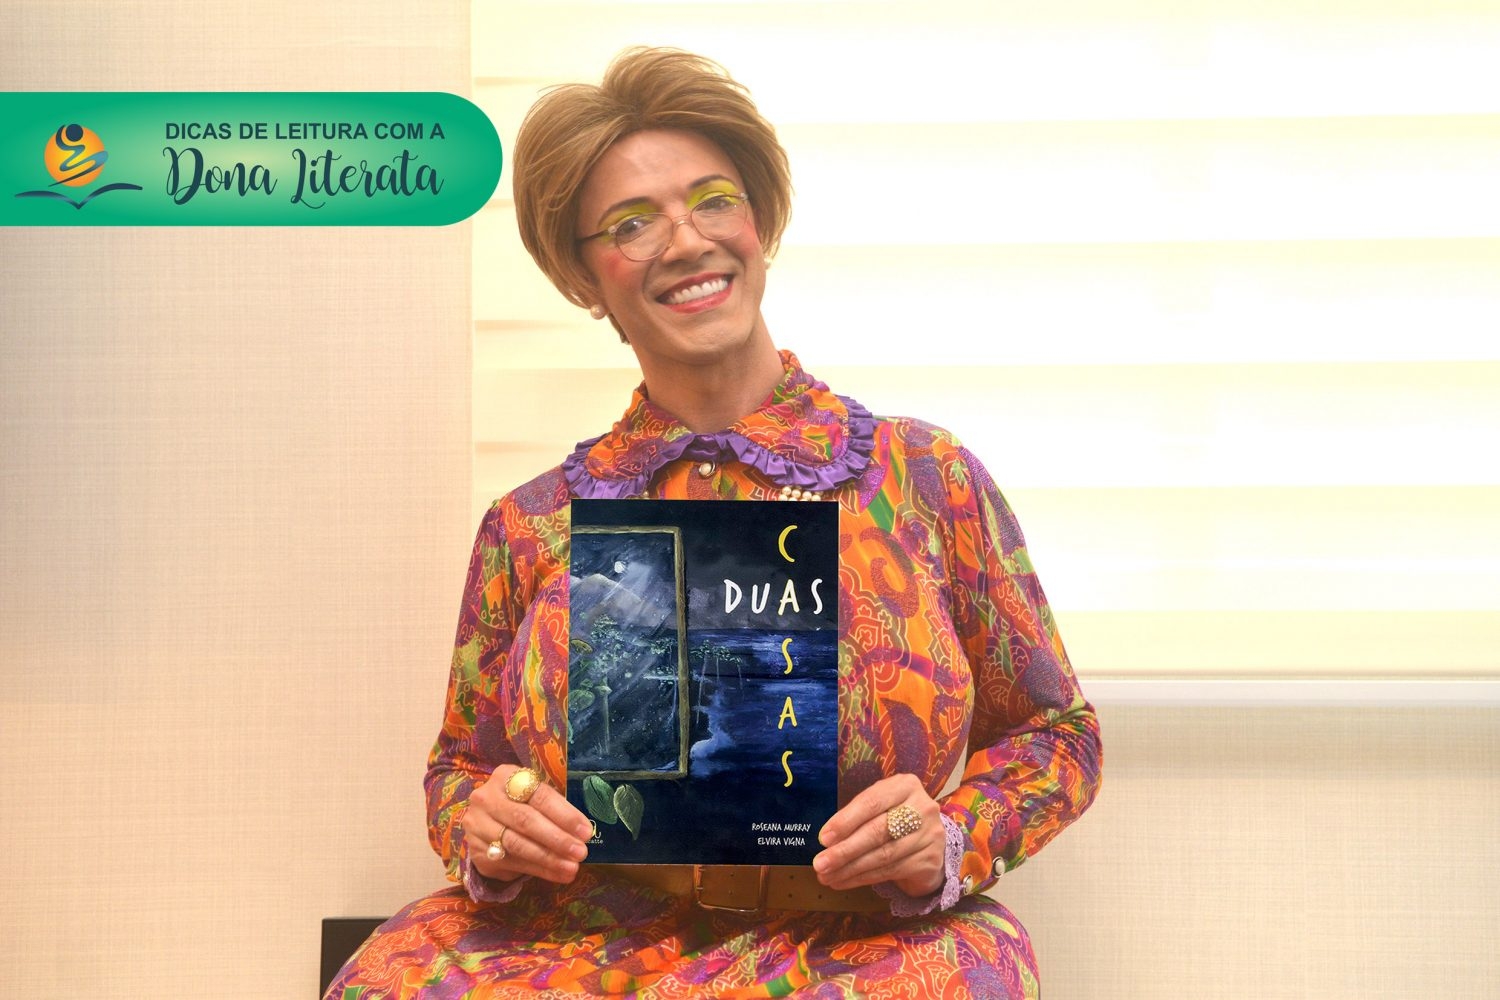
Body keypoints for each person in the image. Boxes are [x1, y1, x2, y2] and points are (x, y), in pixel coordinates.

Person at [325, 46, 1102, 999]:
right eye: (632, 223)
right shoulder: (531, 525)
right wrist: (489, 819)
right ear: (584, 278)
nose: (686, 240)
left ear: (760, 222)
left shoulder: (923, 477)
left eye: (714, 200)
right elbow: (460, 771)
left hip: (861, 947)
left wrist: (948, 834)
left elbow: (1057, 733)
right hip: (578, 945)